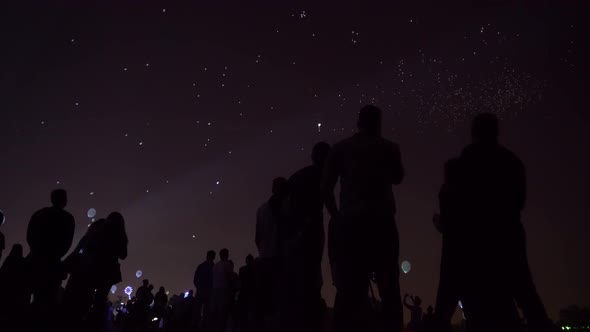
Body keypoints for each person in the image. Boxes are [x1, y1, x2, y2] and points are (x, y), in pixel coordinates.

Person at [323, 105, 404, 332]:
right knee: (389, 286)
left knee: (349, 289)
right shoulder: (389, 148)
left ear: (358, 122)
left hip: (350, 223)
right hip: (382, 222)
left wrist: (337, 218)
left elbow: (325, 189)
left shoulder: (340, 149)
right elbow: (398, 177)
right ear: (378, 123)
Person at [285, 142, 331, 332]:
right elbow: (327, 200)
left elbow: (286, 208)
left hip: (293, 235)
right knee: (311, 280)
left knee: (297, 282)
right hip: (310, 233)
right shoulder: (322, 176)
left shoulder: (296, 176)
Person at [26, 189, 76, 330]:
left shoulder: (40, 214)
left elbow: (29, 235)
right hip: (53, 263)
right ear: (64, 200)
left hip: (36, 260)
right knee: (48, 298)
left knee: (36, 295)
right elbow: (67, 242)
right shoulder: (68, 219)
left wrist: (37, 250)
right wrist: (56, 254)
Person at [255, 177, 288, 332]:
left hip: (265, 258)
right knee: (280, 300)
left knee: (266, 301)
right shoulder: (286, 207)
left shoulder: (261, 210)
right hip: (279, 259)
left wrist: (262, 251)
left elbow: (257, 237)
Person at [0, 244, 28, 329]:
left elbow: (2, 275)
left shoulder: (9, 260)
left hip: (8, 294)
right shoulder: (23, 262)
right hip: (17, 295)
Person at [211, 248, 234, 332]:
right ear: (226, 255)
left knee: (216, 312)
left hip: (215, 290)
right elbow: (231, 278)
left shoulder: (215, 266)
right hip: (224, 290)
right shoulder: (227, 265)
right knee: (222, 312)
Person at [194, 250, 216, 331]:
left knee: (197, 310)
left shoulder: (201, 266)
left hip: (200, 290)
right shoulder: (214, 267)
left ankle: (196, 326)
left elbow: (195, 279)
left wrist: (198, 287)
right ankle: (204, 326)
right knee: (207, 311)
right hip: (209, 292)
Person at [238, 254, 256, 332]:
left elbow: (239, 282)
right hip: (251, 293)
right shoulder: (254, 269)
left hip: (243, 293)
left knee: (243, 313)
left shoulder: (242, 269)